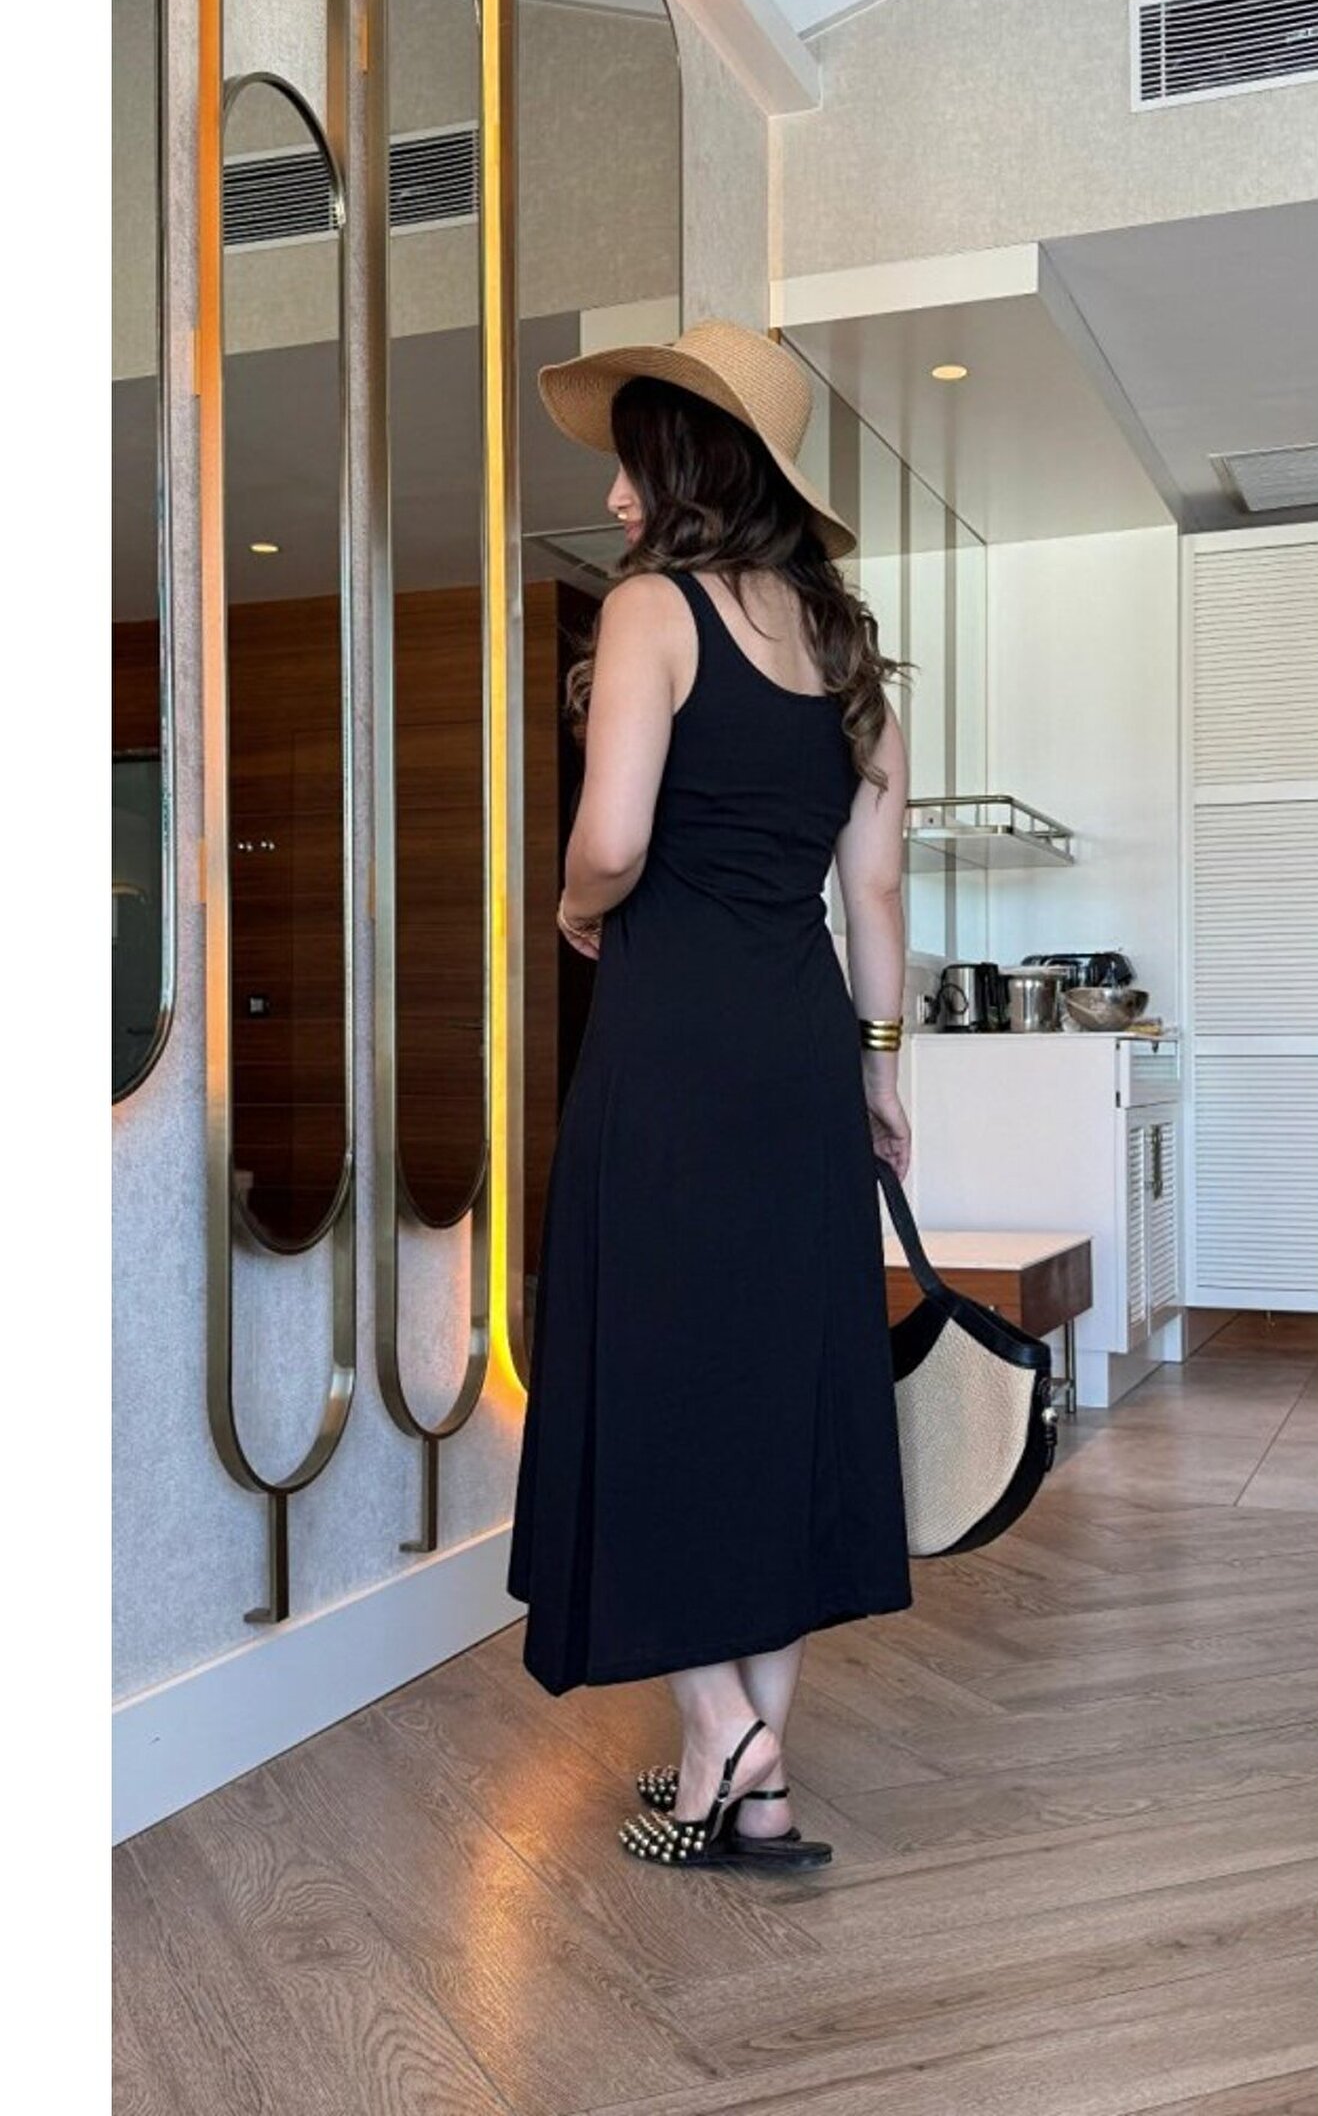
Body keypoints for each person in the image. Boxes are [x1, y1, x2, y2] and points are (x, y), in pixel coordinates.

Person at [506, 318, 915, 1873]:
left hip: (672, 1051)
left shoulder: (652, 612)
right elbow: (877, 900)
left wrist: (573, 904)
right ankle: (755, 1771)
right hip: (803, 1053)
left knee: (651, 1374)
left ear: (692, 464)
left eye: (633, 464)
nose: (615, 496)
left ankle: (717, 1736)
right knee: (779, 1386)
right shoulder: (853, 661)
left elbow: (613, 838)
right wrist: (882, 1076)